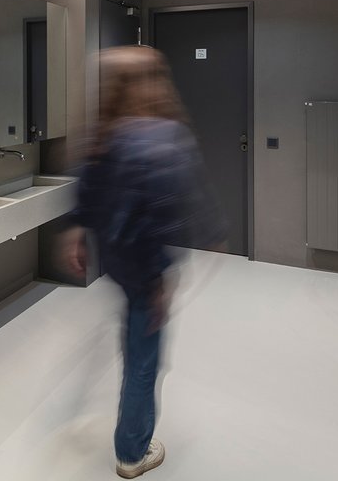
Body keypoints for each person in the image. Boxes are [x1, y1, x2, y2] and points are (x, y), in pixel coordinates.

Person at [61, 46, 223, 478]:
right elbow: (167, 209)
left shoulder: (104, 133)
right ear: (151, 82)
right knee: (144, 360)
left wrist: (79, 232)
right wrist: (162, 277)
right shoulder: (163, 138)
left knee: (134, 338)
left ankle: (131, 436)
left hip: (115, 259)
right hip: (145, 267)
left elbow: (87, 188)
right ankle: (133, 452)